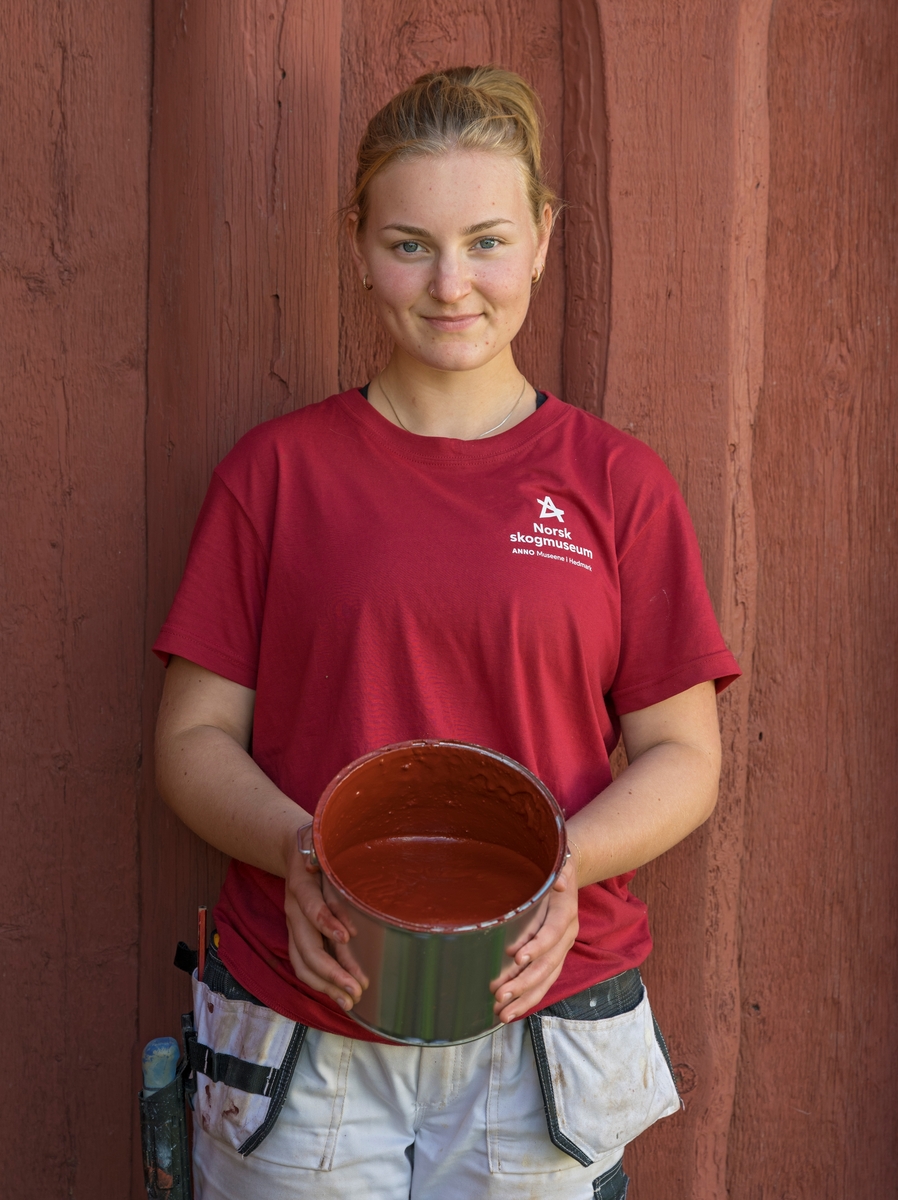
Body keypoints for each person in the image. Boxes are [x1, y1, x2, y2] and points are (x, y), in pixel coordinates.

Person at [154, 65, 740, 1200]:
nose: (451, 283)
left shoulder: (615, 484)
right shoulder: (274, 477)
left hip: (544, 1019)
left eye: (485, 240)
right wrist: (298, 854)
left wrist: (569, 868)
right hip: (303, 1017)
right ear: (360, 245)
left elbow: (682, 755)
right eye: (411, 244)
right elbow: (192, 742)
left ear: (541, 239)